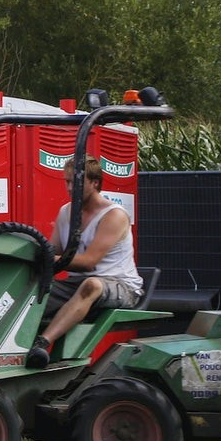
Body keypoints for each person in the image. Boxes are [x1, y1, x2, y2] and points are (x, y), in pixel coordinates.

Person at [26, 156, 143, 369]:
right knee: (30, 293)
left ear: (95, 182)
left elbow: (89, 262)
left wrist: (47, 258)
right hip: (76, 284)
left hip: (119, 285)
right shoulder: (66, 211)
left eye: (76, 182)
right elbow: (53, 251)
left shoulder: (114, 215)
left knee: (91, 284)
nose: (70, 188)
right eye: (67, 182)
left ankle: (41, 344)